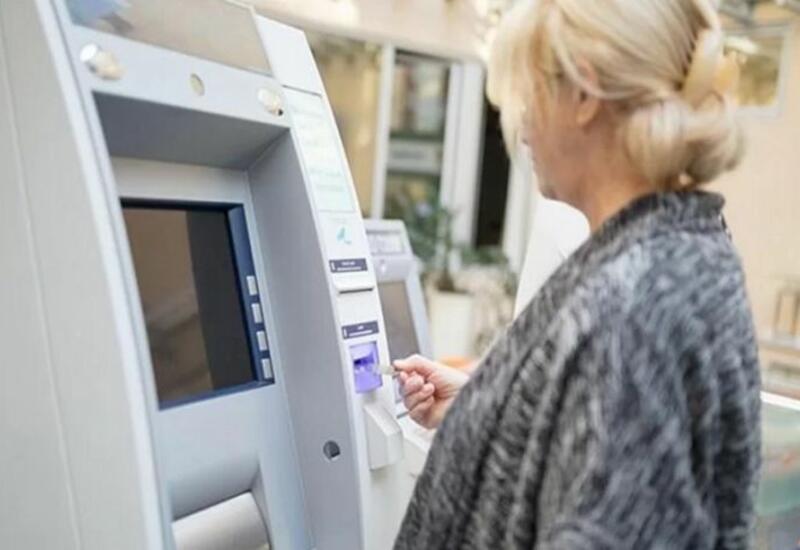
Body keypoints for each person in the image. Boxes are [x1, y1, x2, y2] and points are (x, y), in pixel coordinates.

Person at [393, 0, 761, 548]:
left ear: (584, 95)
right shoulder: (681, 250)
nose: (521, 127)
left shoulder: (634, 303)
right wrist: (488, 412)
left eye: (529, 91)